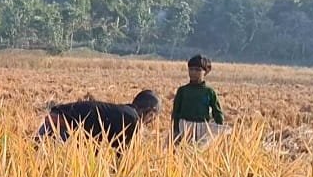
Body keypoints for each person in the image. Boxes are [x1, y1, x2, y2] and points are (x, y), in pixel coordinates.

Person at [34, 90, 162, 151]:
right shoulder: (132, 119)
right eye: (154, 116)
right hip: (62, 126)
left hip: (55, 118)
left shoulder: (123, 112)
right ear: (150, 112)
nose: (152, 121)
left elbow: (100, 145)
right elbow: (122, 153)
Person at [172, 54, 226, 145]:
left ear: (205, 72)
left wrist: (220, 130)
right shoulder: (182, 91)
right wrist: (176, 130)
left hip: (203, 128)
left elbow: (217, 113)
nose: (193, 72)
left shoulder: (209, 92)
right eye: (191, 69)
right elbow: (176, 112)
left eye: (197, 70)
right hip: (184, 127)